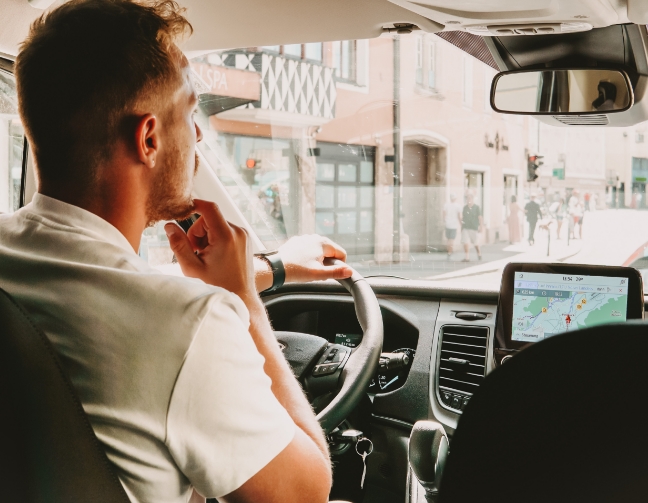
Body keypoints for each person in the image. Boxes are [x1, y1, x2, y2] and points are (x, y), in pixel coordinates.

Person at [0, 1, 350, 501]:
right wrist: (243, 302)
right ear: (148, 138)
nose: (200, 133)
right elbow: (305, 493)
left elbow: (108, 284)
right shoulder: (190, 326)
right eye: (189, 114)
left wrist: (272, 269)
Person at [461, 193, 483, 262]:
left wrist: (481, 226)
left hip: (474, 227)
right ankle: (467, 257)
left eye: (470, 198)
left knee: (476, 243)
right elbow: (463, 218)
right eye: (467, 198)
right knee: (465, 242)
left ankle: (479, 253)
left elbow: (480, 218)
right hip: (466, 227)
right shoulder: (465, 208)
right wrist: (461, 226)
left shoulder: (477, 207)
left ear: (473, 199)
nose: (468, 200)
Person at [443, 193, 462, 259]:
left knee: (448, 239)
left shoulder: (446, 205)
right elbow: (459, 216)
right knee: (452, 239)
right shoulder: (458, 206)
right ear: (455, 198)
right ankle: (449, 252)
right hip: (454, 225)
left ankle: (449, 251)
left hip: (447, 224)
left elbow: (444, 214)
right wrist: (461, 224)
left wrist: (445, 221)